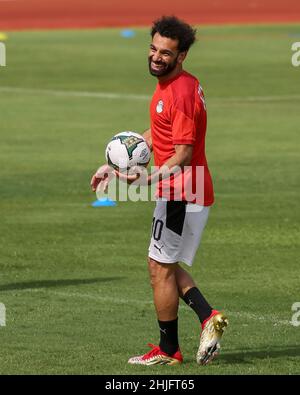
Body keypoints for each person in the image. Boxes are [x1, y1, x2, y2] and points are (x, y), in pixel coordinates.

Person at [91, 16, 228, 366]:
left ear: (181, 56)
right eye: (153, 48)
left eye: (165, 53)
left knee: (159, 267)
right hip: (187, 188)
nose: (156, 56)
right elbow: (158, 136)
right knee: (161, 265)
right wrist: (117, 164)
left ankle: (169, 351)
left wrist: (147, 178)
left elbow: (182, 151)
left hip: (182, 190)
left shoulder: (179, 93)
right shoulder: (171, 85)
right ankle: (207, 317)